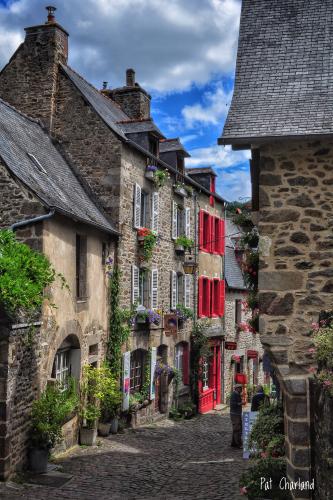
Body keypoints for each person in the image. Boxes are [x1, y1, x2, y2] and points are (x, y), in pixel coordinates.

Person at [230, 384, 243, 448]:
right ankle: (238, 444)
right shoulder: (234, 395)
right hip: (235, 414)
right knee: (237, 429)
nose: (241, 389)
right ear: (237, 388)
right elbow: (232, 404)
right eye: (240, 388)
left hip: (237, 413)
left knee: (237, 428)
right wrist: (240, 403)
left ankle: (234, 443)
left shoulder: (237, 394)